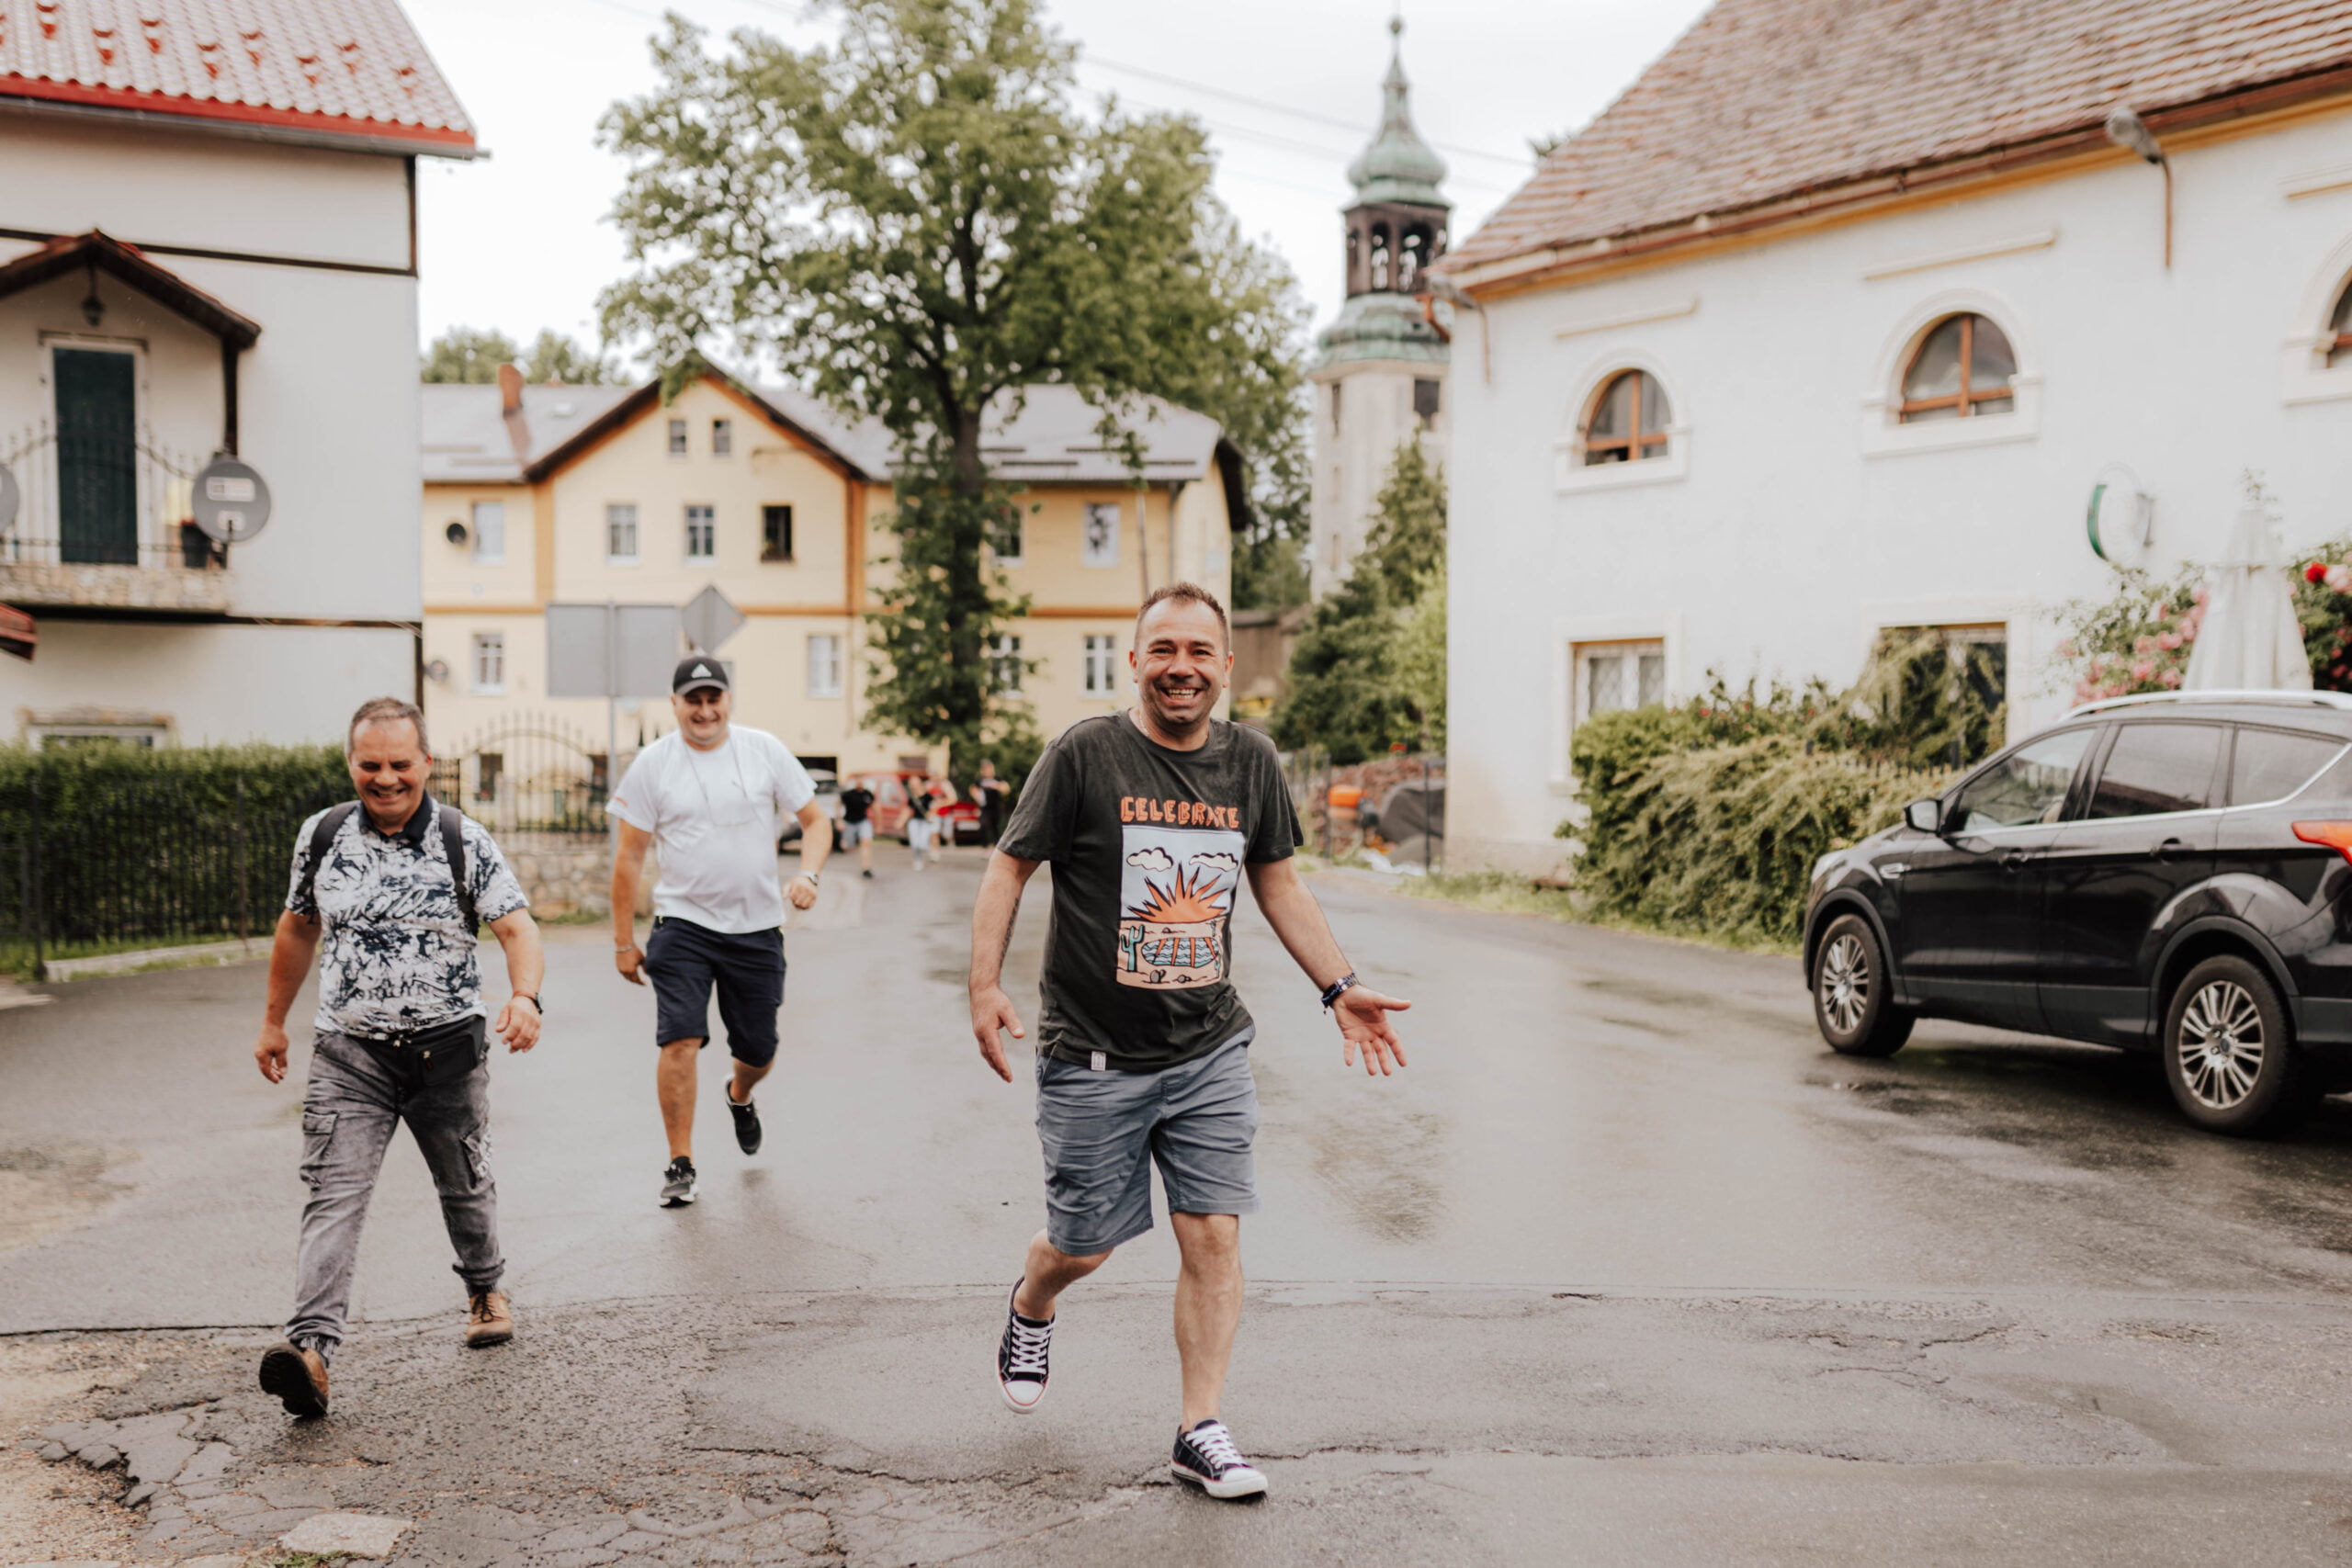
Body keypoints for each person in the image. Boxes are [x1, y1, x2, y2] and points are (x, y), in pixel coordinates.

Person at [968, 582, 1410, 1502]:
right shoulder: (1085, 754)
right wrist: (982, 986)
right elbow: (1010, 865)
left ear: (1225, 667)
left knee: (1212, 1234)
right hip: (1090, 1051)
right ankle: (1032, 1299)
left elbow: (1278, 881)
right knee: (1083, 1246)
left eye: (1199, 652)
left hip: (1207, 1049)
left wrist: (1337, 985)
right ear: (1133, 661)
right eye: (1162, 650)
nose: (1180, 668)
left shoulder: (1249, 761)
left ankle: (1197, 1428)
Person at [252, 696, 543, 1420]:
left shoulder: (461, 839)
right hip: (350, 1053)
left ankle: (485, 1285)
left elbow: (516, 926)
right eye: (370, 764)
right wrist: (272, 1023)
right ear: (351, 762)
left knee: (464, 1183)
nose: (385, 778)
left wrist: (527, 996)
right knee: (333, 1195)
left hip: (447, 1052)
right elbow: (297, 928)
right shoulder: (320, 836)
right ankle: (311, 1351)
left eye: (399, 764)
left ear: (426, 764)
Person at [611, 657, 831, 1208]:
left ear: (728, 700)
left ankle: (740, 1094)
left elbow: (816, 820)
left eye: (714, 699)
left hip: (757, 929)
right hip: (682, 925)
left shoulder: (763, 750)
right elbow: (629, 858)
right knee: (679, 1040)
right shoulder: (653, 764)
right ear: (675, 704)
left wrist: (808, 873)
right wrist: (622, 940)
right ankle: (680, 1163)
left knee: (758, 1050)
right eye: (693, 700)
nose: (704, 711)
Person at [838, 777, 876, 879]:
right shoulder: (848, 794)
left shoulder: (867, 794)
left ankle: (866, 868)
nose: (860, 782)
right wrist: (839, 820)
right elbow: (837, 804)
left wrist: (878, 824)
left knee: (866, 842)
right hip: (849, 822)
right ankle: (847, 843)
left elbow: (876, 807)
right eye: (858, 780)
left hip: (863, 821)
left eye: (861, 780)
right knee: (848, 847)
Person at [972, 759, 1011, 847]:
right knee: (983, 825)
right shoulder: (980, 780)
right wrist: (977, 798)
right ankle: (985, 847)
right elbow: (973, 788)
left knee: (996, 827)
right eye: (984, 768)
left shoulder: (997, 778)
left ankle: (997, 846)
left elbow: (1006, 789)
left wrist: (996, 786)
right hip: (985, 807)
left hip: (996, 806)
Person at [905, 772, 936, 871]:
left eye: (914, 782)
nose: (912, 784)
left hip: (925, 822)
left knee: (922, 844)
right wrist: (900, 822)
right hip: (914, 821)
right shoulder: (912, 798)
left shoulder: (928, 796)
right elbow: (908, 810)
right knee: (914, 843)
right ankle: (918, 860)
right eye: (911, 782)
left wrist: (930, 814)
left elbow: (934, 807)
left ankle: (930, 848)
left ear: (919, 783)